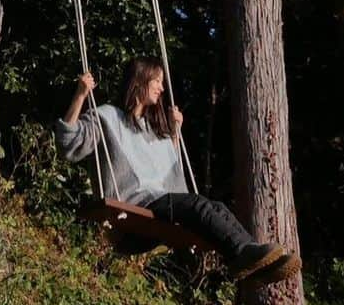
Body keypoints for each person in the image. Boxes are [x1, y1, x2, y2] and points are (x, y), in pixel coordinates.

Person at [54, 56, 301, 287]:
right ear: (140, 80)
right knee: (199, 206)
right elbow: (69, 146)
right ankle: (244, 255)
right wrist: (80, 95)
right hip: (133, 210)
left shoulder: (150, 129)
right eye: (158, 81)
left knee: (217, 207)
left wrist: (175, 133)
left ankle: (250, 258)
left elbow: (166, 171)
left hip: (154, 209)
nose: (162, 88)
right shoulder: (108, 117)